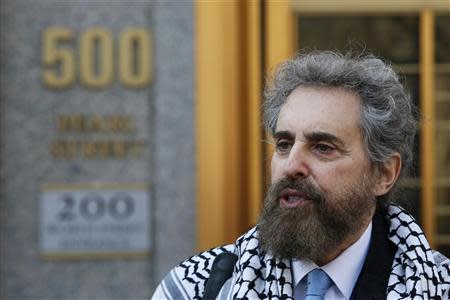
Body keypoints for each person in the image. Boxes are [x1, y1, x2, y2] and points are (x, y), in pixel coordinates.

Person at [152, 51, 450, 299]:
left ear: (384, 173)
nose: (291, 165)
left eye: (322, 147)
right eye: (283, 144)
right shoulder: (197, 287)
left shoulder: (438, 287)